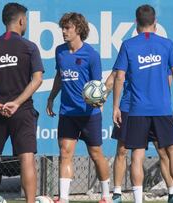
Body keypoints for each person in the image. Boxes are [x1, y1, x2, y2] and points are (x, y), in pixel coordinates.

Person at [112, 4, 173, 203]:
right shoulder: (167, 44)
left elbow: (119, 77)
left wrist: (116, 106)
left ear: (136, 24)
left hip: (137, 110)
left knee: (137, 154)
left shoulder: (128, 45)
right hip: (162, 109)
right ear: (155, 23)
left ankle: (138, 199)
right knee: (172, 152)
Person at [0, 3, 44, 203]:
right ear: (21, 20)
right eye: (26, 21)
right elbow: (37, 79)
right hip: (21, 111)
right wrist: (17, 102)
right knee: (27, 158)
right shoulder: (29, 46)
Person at [46, 12, 110, 203]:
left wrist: (99, 103)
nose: (64, 32)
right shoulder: (60, 51)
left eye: (68, 28)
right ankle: (63, 198)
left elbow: (97, 86)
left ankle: (107, 195)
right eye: (62, 28)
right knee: (65, 152)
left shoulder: (91, 55)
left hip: (89, 114)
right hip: (67, 112)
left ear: (79, 29)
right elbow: (59, 76)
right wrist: (51, 98)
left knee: (96, 154)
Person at [106, 71, 173, 203]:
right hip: (128, 107)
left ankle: (172, 193)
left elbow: (168, 79)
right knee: (122, 150)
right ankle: (117, 193)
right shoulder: (128, 50)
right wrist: (101, 97)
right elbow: (115, 76)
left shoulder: (160, 51)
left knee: (162, 151)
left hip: (153, 109)